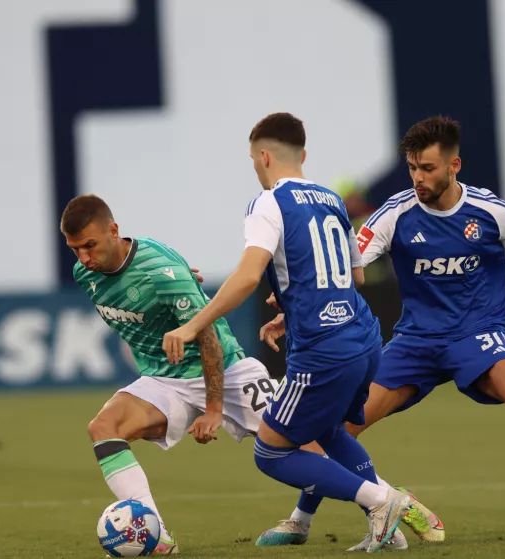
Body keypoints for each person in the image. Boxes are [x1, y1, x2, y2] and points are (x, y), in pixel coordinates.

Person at [259, 116, 505, 541]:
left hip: (477, 333)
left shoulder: (489, 210)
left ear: (454, 166)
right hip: (415, 341)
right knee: (340, 429)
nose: (419, 178)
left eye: (429, 169)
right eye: (413, 168)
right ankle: (302, 521)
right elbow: (345, 272)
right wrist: (293, 312)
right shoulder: (394, 214)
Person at [162, 112, 413, 553]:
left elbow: (245, 278)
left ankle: (382, 501)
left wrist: (194, 323)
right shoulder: (333, 199)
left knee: (272, 450)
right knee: (331, 431)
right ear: (304, 155)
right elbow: (355, 277)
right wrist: (293, 305)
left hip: (324, 350)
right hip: (366, 337)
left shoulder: (268, 203)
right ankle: (386, 529)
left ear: (262, 157)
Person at [62, 193, 284, 555]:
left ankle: (381, 501)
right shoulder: (84, 273)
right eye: (75, 250)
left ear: (114, 231)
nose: (84, 258)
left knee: (301, 442)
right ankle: (155, 536)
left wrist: (213, 409)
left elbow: (208, 336)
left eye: (90, 245)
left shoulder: (158, 271)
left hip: (227, 369)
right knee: (103, 428)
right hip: (165, 380)